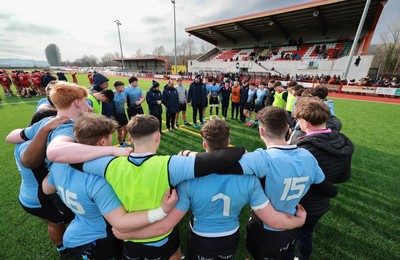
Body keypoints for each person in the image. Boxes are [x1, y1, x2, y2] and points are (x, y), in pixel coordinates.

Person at [48, 114, 246, 260]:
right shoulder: (170, 165)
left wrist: (109, 151)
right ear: (158, 136)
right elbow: (215, 160)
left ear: (131, 138)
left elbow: (73, 161)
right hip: (163, 238)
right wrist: (240, 150)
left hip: (131, 243)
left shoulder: (109, 165)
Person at [112, 119, 307, 259]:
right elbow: (272, 219)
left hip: (200, 238)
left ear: (204, 144)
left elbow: (165, 226)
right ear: (228, 141)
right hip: (230, 236)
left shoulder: (189, 180)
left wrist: (127, 234)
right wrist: (298, 221)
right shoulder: (250, 179)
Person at [42, 112, 178, 259]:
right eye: (110, 136)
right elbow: (120, 222)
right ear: (102, 142)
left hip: (76, 234)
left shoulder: (59, 165)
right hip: (100, 240)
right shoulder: (102, 179)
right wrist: (161, 211)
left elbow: (46, 188)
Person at [236, 106, 338, 259]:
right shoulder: (308, 156)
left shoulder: (262, 158)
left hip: (264, 228)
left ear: (261, 131)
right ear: (287, 129)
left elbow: (219, 161)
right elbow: (330, 191)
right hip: (291, 225)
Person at [287, 97, 354, 260]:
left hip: (300, 203)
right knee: (306, 235)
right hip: (321, 203)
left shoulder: (304, 148)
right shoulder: (342, 142)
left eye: (299, 120)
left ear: (306, 123)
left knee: (290, 239)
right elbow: (344, 176)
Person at [13, 110, 75, 258]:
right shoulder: (30, 147)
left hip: (29, 195)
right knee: (57, 223)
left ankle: (64, 247)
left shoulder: (28, 142)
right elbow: (29, 161)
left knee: (55, 222)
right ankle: (64, 250)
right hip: (39, 199)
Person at [113, 80, 129, 147]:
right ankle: (121, 144)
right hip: (117, 116)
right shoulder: (113, 94)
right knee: (119, 131)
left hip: (123, 114)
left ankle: (123, 140)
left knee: (126, 128)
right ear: (118, 87)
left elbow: (123, 100)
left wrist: (125, 100)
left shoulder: (122, 94)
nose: (124, 88)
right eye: (122, 87)